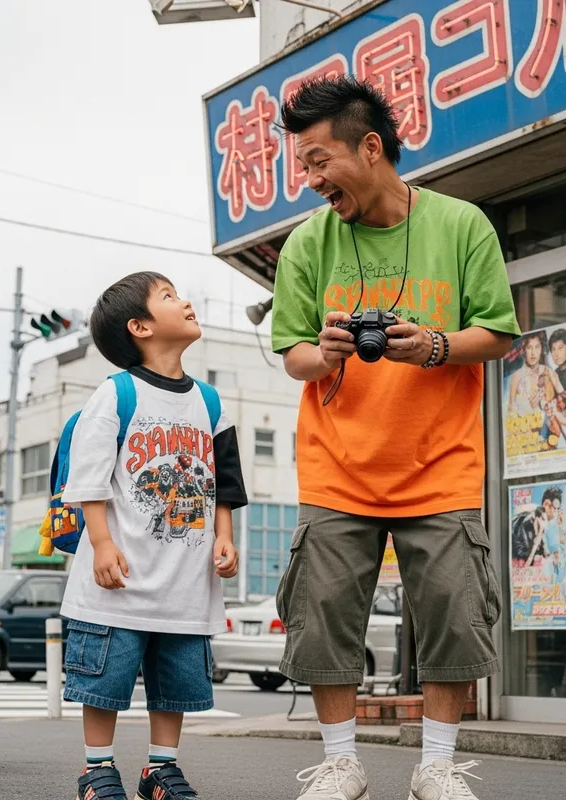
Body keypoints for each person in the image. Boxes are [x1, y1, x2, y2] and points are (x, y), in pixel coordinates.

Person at [271, 76, 520, 800]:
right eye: (303, 165)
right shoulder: (306, 244)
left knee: (453, 613)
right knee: (322, 621)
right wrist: (327, 354)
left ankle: (437, 766)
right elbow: (293, 355)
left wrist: (436, 346)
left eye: (319, 162)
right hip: (337, 467)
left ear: (370, 147)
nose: (311, 180)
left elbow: (499, 332)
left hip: (441, 465)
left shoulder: (462, 224)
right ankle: (341, 764)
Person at [58, 272, 247, 800]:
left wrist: (224, 536)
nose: (185, 300)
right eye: (169, 296)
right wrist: (100, 542)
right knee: (106, 678)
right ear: (140, 326)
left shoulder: (209, 402)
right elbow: (89, 474)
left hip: (185, 581)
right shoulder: (115, 394)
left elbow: (225, 481)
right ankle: (97, 768)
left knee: (178, 679)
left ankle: (160, 768)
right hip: (119, 577)